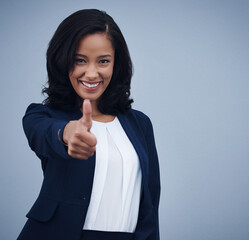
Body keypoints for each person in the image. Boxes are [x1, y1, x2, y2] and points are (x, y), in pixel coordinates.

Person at [17, 9, 160, 240]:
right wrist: (67, 133)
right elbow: (42, 135)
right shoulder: (43, 116)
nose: (92, 73)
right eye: (80, 60)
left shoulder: (140, 124)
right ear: (63, 61)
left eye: (103, 61)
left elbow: (150, 202)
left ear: (116, 64)